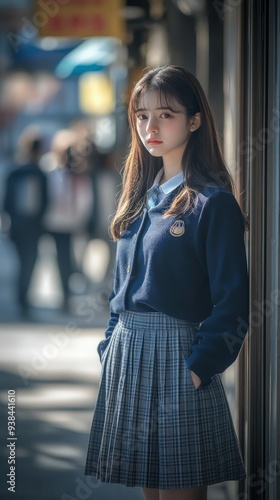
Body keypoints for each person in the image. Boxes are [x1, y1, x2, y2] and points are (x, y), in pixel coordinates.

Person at [84, 65, 249, 500]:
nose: (150, 127)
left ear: (194, 120)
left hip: (179, 358)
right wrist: (109, 346)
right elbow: (120, 294)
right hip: (128, 356)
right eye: (141, 115)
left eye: (166, 115)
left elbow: (232, 305)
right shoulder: (140, 198)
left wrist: (196, 370)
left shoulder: (212, 203)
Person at [4, 128, 48, 311]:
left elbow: (7, 202)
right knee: (28, 262)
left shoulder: (15, 172)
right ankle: (23, 298)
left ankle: (22, 297)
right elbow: (46, 202)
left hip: (18, 225)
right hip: (32, 227)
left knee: (23, 263)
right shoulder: (38, 173)